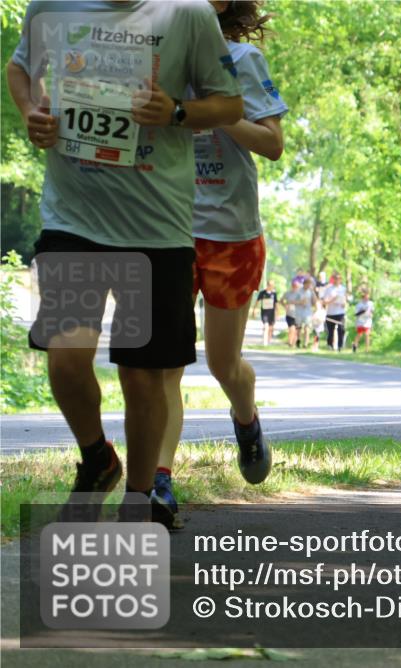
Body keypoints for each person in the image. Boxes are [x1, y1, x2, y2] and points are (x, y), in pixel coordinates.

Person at [8, 0, 242, 519]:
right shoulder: (51, 5)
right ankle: (96, 458)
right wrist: (31, 114)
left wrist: (177, 112)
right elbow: (21, 68)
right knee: (66, 358)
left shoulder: (188, 14)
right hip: (74, 218)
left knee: (142, 375)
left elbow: (229, 105)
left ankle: (138, 499)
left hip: (155, 229)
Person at [152, 0, 286, 529]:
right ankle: (160, 481)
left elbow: (274, 144)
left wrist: (222, 115)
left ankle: (246, 418)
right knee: (165, 363)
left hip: (231, 234)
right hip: (168, 227)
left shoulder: (242, 59)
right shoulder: (157, 57)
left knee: (222, 365)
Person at [321, 271, 347, 350]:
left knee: (341, 329)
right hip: (331, 313)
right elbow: (324, 302)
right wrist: (333, 300)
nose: (337, 280)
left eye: (338, 279)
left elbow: (345, 299)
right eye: (335, 278)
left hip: (340, 312)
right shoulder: (328, 289)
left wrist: (343, 303)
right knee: (330, 331)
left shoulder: (343, 289)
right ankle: (330, 345)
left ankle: (340, 346)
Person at [296, 276, 319, 348]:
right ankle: (298, 339)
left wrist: (316, 308)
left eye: (310, 284)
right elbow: (293, 301)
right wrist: (300, 302)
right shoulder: (298, 291)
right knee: (299, 327)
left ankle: (305, 343)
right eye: (308, 284)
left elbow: (315, 301)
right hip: (299, 311)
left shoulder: (311, 292)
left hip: (307, 312)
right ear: (304, 284)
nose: (309, 285)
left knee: (307, 327)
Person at [255, 279, 278, 345]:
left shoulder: (274, 294)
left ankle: (268, 340)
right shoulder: (262, 293)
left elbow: (276, 303)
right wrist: (255, 310)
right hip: (264, 312)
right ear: (268, 285)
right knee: (266, 326)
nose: (271, 287)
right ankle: (264, 342)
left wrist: (277, 312)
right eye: (270, 285)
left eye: (272, 285)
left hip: (271, 313)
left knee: (271, 328)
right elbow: (257, 301)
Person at [281, 279, 302, 348]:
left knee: (296, 330)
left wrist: (295, 302)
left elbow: (303, 302)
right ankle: (290, 342)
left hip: (297, 314)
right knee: (291, 328)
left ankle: (293, 343)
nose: (294, 287)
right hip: (289, 314)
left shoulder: (300, 294)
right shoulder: (287, 293)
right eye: (293, 285)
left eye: (296, 286)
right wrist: (285, 306)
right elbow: (281, 300)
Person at [352, 289, 374, 353]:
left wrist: (371, 314)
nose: (367, 297)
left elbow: (372, 311)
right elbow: (356, 314)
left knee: (367, 334)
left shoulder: (371, 303)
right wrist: (362, 311)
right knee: (359, 334)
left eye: (368, 296)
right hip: (360, 321)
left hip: (368, 321)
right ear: (363, 297)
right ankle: (355, 344)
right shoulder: (359, 304)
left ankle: (367, 349)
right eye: (366, 296)